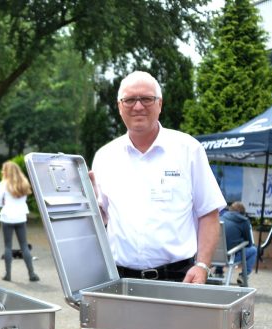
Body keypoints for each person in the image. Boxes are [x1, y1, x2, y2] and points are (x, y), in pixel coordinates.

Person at [91, 71, 226, 283]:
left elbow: (209, 213)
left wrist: (202, 266)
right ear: (119, 106)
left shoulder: (188, 149)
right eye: (129, 100)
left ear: (160, 104)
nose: (137, 106)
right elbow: (100, 221)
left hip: (178, 278)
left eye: (146, 99)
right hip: (119, 279)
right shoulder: (105, 157)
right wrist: (87, 204)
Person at [0, 160, 39, 282]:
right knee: (24, 246)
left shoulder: (3, 184)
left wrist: (4, 202)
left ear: (6, 171)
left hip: (7, 217)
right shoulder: (24, 183)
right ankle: (32, 274)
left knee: (8, 246)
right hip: (21, 217)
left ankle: (8, 275)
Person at [220, 201, 257, 280]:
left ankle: (218, 272)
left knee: (223, 246)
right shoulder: (244, 221)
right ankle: (243, 276)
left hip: (216, 257)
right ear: (242, 213)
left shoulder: (221, 218)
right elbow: (249, 243)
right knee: (253, 250)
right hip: (230, 257)